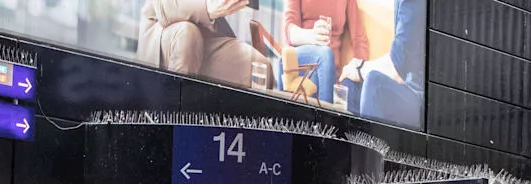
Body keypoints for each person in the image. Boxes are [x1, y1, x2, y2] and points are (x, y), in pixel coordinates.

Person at [138, 0, 268, 88]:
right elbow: (165, 8)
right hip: (163, 31)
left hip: (205, 31)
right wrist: (207, 8)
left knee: (260, 66)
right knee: (188, 35)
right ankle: (171, 120)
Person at [338, 0, 425, 127]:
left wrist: (360, 68)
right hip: (409, 90)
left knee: (374, 83)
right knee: (349, 83)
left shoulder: (414, 2)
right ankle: (351, 144)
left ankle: (370, 146)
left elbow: (396, 69)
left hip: (424, 104)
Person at [282, 0, 370, 103]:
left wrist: (358, 69)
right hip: (300, 60)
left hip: (329, 70)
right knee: (325, 55)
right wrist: (312, 36)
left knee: (353, 83)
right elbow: (290, 32)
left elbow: (359, 39)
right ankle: (326, 117)